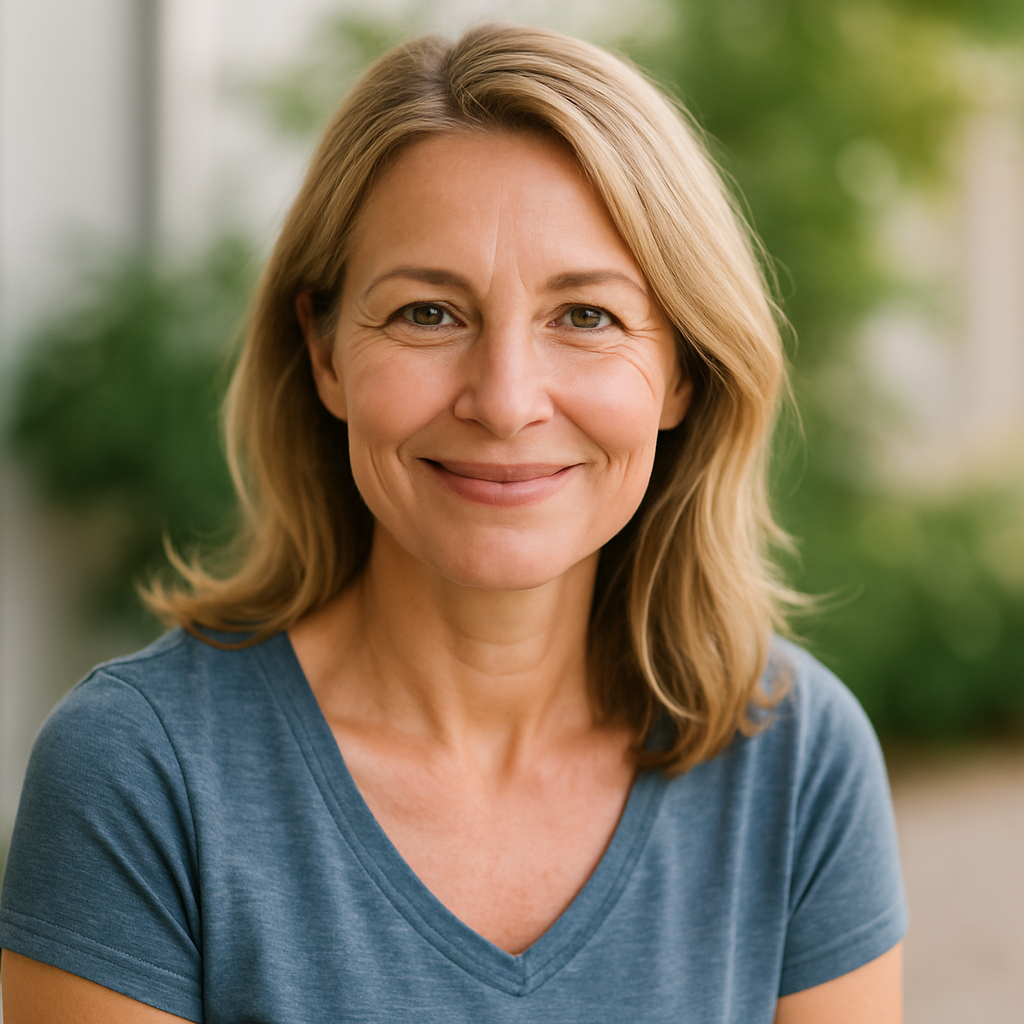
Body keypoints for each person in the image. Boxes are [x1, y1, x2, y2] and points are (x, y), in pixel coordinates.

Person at [0, 23, 906, 1024]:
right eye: (429, 312)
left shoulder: (795, 760)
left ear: (684, 369)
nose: (506, 399)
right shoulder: (143, 771)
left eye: (587, 316)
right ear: (327, 351)